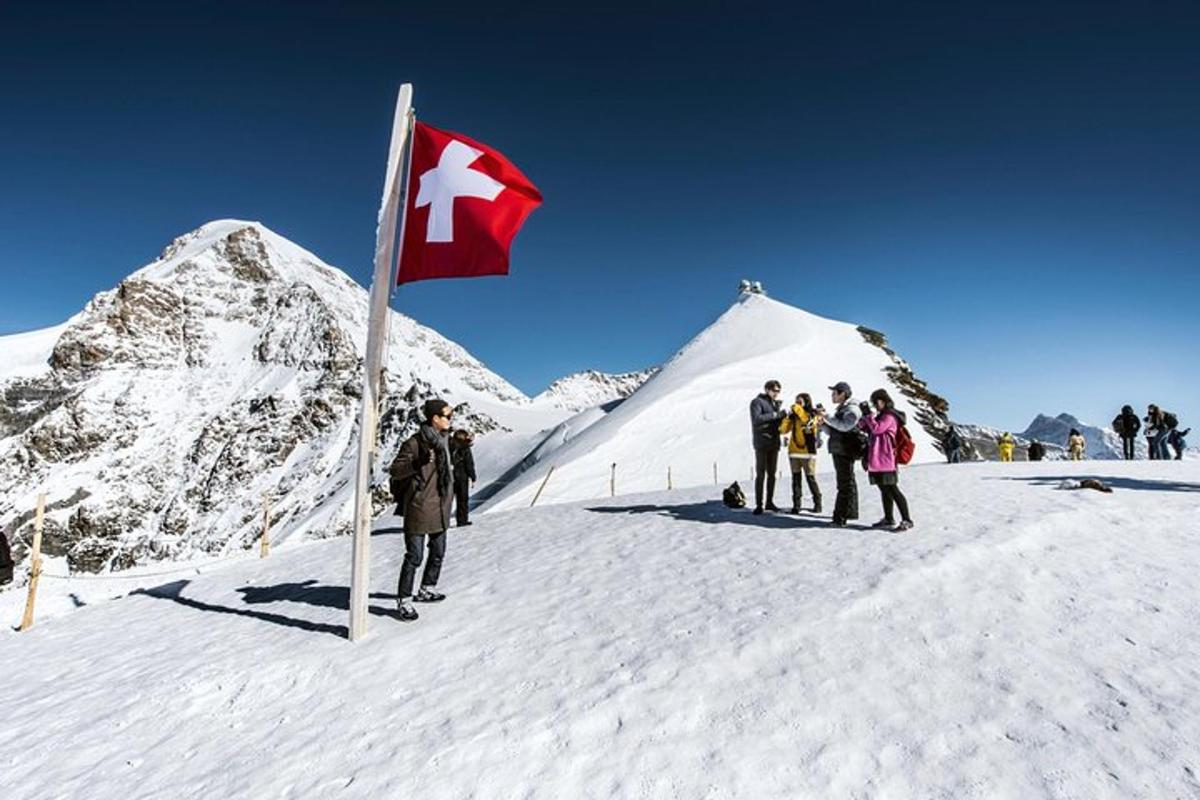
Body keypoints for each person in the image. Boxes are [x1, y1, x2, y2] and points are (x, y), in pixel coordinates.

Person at [389, 398, 456, 622]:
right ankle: (404, 600)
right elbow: (396, 470)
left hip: (440, 506)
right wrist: (416, 463)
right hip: (419, 506)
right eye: (447, 415)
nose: (450, 419)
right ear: (434, 418)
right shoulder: (415, 443)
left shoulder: (446, 441)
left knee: (438, 552)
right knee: (415, 556)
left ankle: (426, 588)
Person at [857, 389, 914, 532]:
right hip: (877, 459)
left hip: (886, 459)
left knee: (893, 489)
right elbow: (863, 427)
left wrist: (869, 416)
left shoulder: (890, 416)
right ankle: (889, 518)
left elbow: (877, 429)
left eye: (876, 402)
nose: (875, 405)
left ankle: (907, 519)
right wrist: (864, 416)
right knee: (884, 489)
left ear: (883, 401)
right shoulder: (880, 415)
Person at [820, 381, 861, 528]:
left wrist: (827, 418)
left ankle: (840, 517)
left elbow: (845, 426)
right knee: (845, 483)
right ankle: (845, 514)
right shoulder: (843, 408)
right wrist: (823, 424)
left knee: (845, 484)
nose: (832, 395)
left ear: (842, 394)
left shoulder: (852, 409)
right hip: (840, 448)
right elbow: (835, 431)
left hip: (845, 450)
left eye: (834, 393)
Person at [779, 392, 822, 514]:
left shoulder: (813, 414)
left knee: (810, 479)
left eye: (800, 402)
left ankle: (817, 503)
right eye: (796, 401)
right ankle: (796, 505)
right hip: (794, 452)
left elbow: (807, 421)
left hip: (808, 453)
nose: (796, 404)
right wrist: (788, 418)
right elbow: (782, 430)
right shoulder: (794, 416)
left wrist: (797, 409)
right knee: (796, 480)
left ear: (806, 402)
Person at [749, 380, 787, 514]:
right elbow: (757, 419)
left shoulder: (775, 403)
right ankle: (759, 505)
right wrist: (775, 415)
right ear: (767, 389)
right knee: (761, 475)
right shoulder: (757, 402)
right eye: (775, 390)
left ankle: (769, 502)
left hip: (774, 443)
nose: (777, 393)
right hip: (761, 443)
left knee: (772, 474)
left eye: (778, 391)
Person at [449, 429, 477, 527]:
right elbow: (469, 464)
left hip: (450, 477)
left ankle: (442, 521)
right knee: (463, 500)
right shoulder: (465, 448)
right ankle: (462, 520)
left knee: (447, 500)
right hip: (462, 477)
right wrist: (473, 477)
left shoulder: (449, 446)